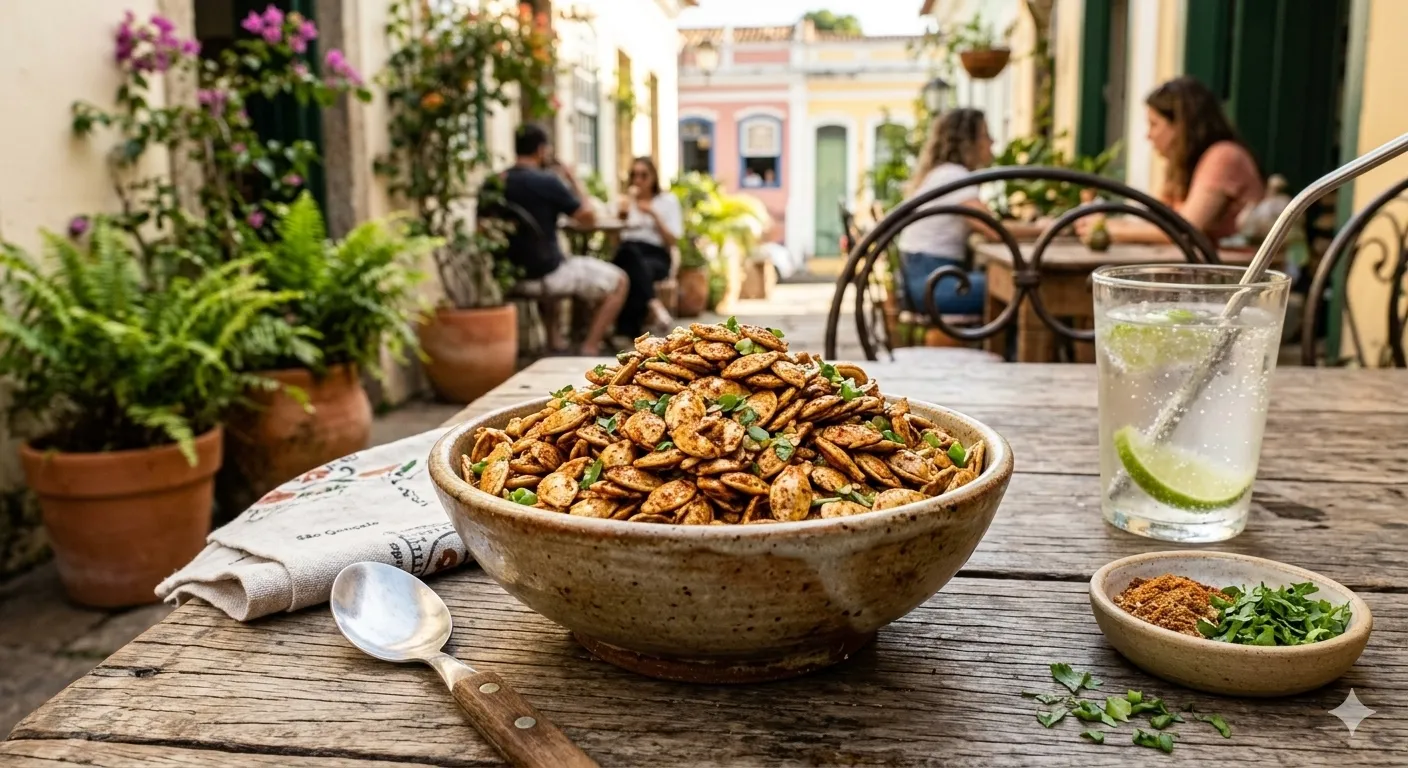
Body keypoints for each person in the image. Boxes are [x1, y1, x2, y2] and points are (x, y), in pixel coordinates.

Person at [1076, 76, 1264, 243]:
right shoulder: (1181, 166)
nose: (1148, 136)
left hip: (1240, 277)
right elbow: (1151, 221)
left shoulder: (1224, 157)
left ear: (1181, 126)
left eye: (1154, 124)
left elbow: (1183, 230)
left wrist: (1106, 228)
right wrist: (1097, 223)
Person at [500, 123, 628, 355]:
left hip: (509, 276)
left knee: (554, 258)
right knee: (619, 281)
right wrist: (572, 178)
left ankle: (554, 342)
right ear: (541, 150)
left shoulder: (496, 181)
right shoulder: (547, 182)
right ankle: (589, 347)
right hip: (546, 275)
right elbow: (588, 219)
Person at [894, 108, 1001, 317]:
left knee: (1010, 285)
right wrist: (1045, 229)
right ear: (968, 142)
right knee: (1017, 287)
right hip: (934, 284)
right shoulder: (954, 176)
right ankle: (1013, 351)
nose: (993, 142)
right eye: (986, 135)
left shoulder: (943, 174)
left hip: (925, 279)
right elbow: (995, 229)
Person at [613, 157, 683, 337]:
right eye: (634, 175)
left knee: (633, 272)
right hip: (627, 251)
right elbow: (615, 238)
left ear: (653, 177)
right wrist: (622, 215)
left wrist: (653, 214)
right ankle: (654, 305)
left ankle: (627, 332)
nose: (638, 180)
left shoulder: (667, 201)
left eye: (643, 175)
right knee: (629, 253)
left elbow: (673, 241)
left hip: (655, 254)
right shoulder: (625, 202)